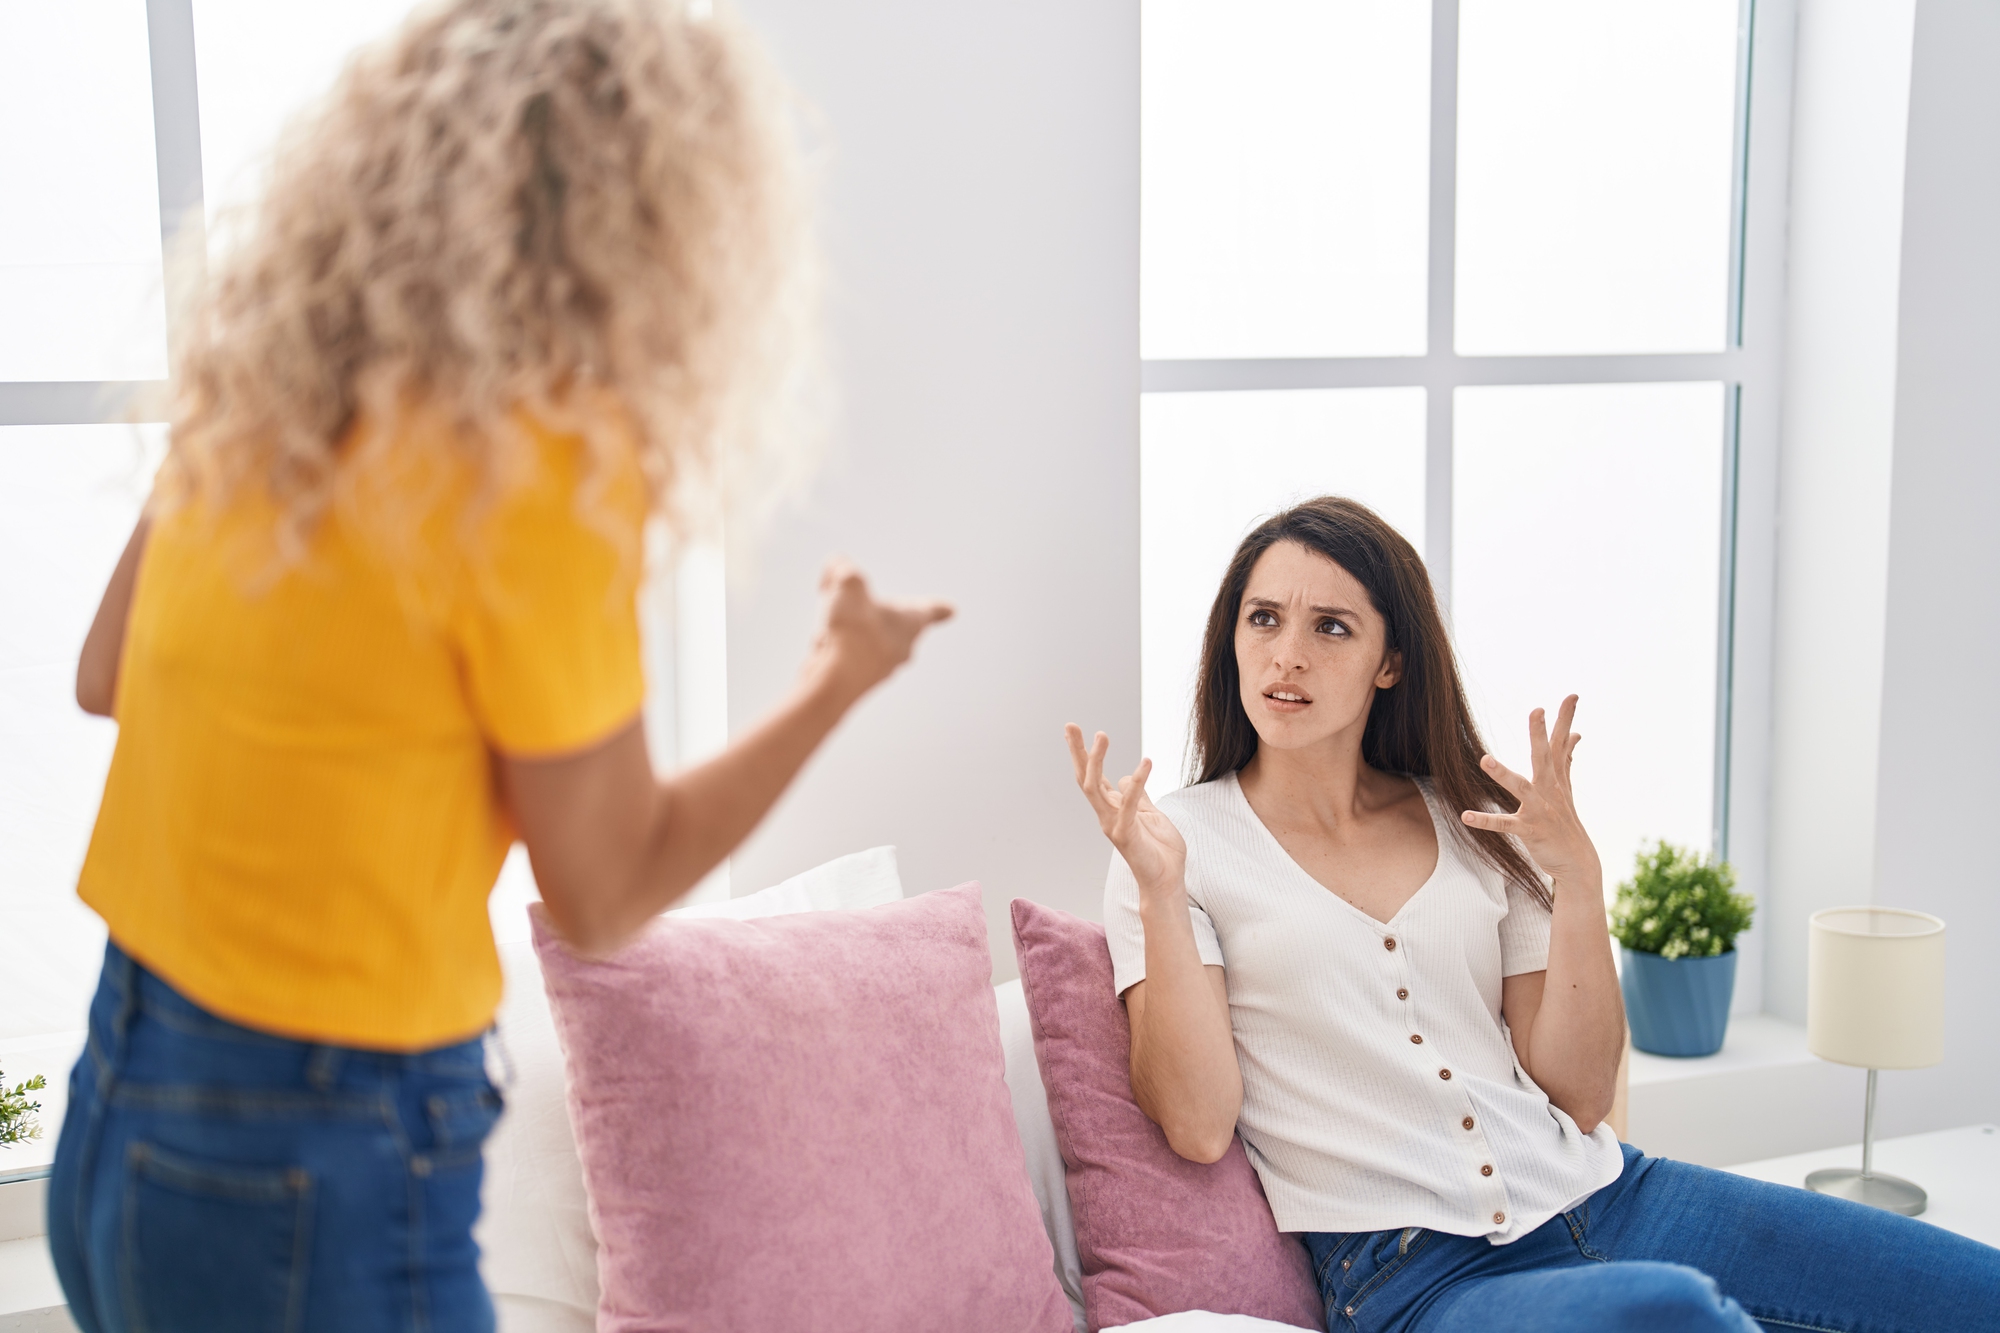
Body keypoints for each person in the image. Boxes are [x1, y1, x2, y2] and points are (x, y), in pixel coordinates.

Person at [49, 3, 950, 1329]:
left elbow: (105, 673)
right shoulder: (541, 463)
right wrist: (837, 679)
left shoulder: (271, 383)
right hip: (319, 1152)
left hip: (121, 1100)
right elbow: (603, 893)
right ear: (663, 219)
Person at [1065, 496, 1998, 1332]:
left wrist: (1578, 879)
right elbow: (1196, 1122)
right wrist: (1154, 888)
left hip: (1613, 1196)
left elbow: (1581, 1093)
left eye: (1332, 626)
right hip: (1421, 1277)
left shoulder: (1466, 817)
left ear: (1391, 662)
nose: (1287, 653)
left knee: (1972, 1289)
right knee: (1671, 1314)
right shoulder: (1171, 846)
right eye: (1262, 618)